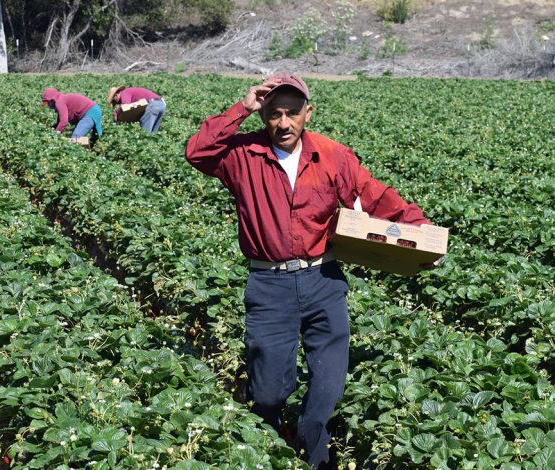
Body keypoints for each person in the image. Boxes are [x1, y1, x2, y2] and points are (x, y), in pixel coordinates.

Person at [185, 72, 435, 468]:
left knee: (327, 386)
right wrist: (240, 108)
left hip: (323, 279)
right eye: (273, 114)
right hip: (269, 283)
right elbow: (197, 152)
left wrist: (420, 233)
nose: (283, 124)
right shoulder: (242, 155)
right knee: (267, 392)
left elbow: (375, 196)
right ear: (262, 114)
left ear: (308, 113)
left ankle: (313, 448)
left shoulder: (333, 155)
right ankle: (269, 439)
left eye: (292, 113)